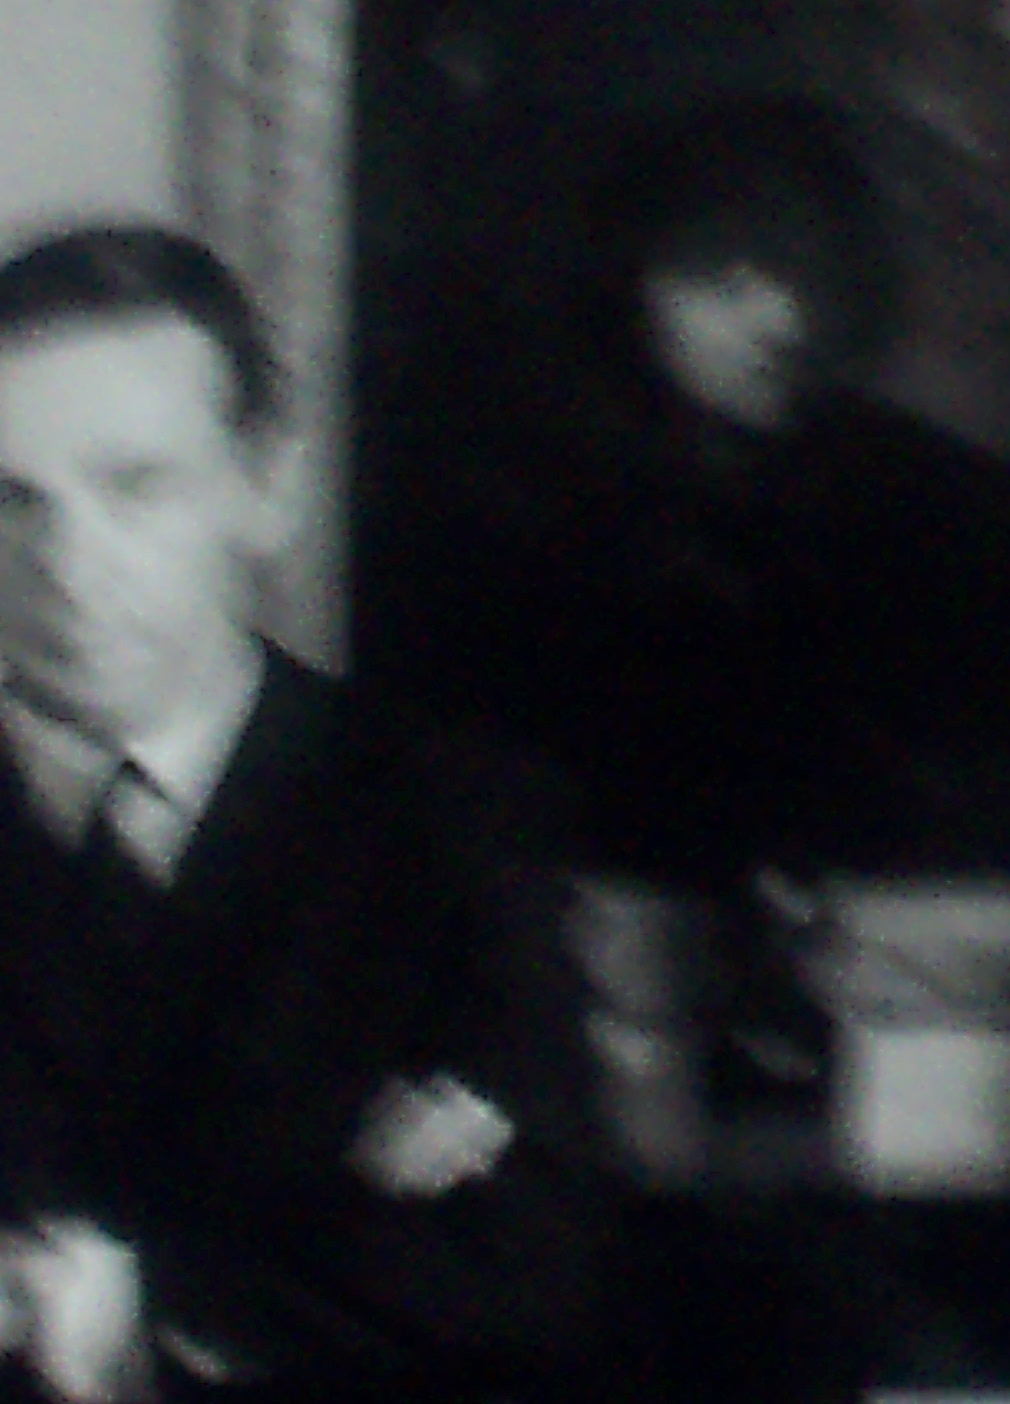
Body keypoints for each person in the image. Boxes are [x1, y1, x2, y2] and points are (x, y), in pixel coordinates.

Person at [0, 225, 624, 1402]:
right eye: (13, 502)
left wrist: (134, 1307)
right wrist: (320, 1231)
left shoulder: (451, 819)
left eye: (136, 488)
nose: (68, 569)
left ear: (266, 488)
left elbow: (517, 1268)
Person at [356, 91, 1010, 893]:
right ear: (627, 286)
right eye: (725, 282)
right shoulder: (521, 517)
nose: (783, 321)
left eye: (806, 274)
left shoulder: (909, 488)